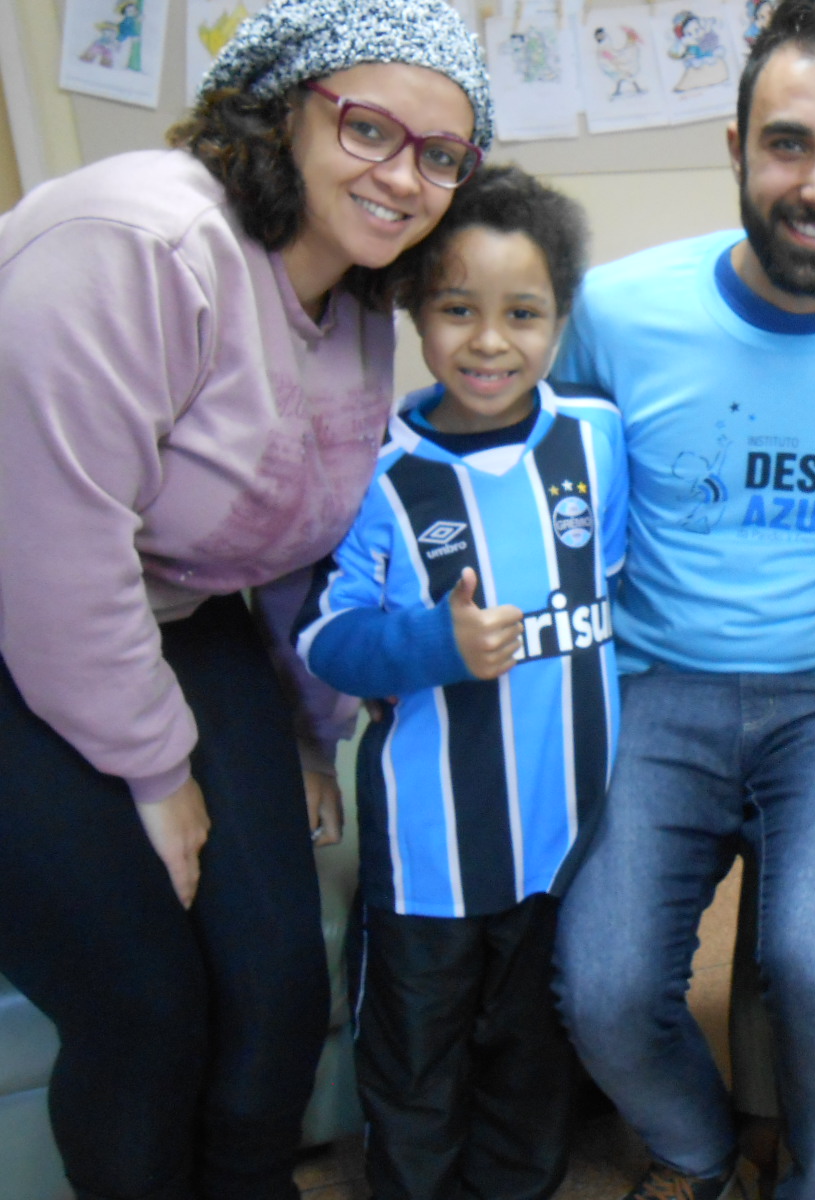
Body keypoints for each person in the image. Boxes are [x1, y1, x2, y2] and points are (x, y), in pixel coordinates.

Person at [0, 1, 492, 1196]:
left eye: (440, 154)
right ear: (283, 107)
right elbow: (56, 553)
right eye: (369, 126)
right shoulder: (138, 246)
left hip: (172, 614)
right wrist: (159, 774)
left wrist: (304, 727)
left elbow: (285, 536)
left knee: (277, 979)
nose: (402, 177)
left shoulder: (361, 297)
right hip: (22, 613)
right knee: (143, 1006)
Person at [549, 1, 815, 1196]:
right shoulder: (613, 312)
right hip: (654, 683)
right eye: (788, 141)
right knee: (599, 986)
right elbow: (548, 488)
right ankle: (701, 1153)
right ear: (735, 145)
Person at [297, 165, 621, 1200]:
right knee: (417, 1069)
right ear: (413, 314)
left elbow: (621, 591)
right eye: (457, 309)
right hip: (433, 857)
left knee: (533, 1063)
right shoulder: (379, 472)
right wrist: (436, 646)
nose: (490, 341)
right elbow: (325, 639)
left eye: (521, 313)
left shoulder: (596, 439)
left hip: (566, 842)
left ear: (559, 319)